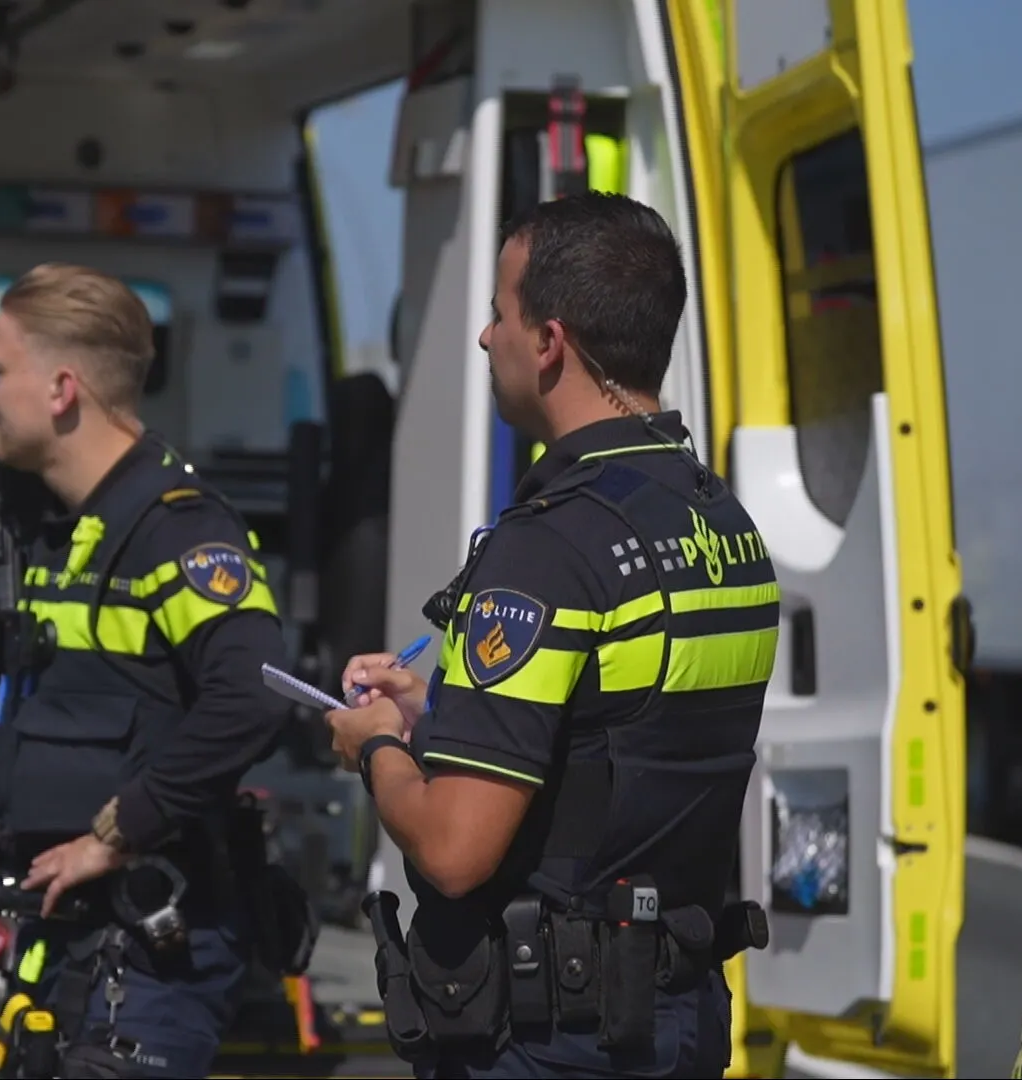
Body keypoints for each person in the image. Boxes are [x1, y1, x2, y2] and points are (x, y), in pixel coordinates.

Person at [323, 192, 778, 1078]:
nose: (487, 338)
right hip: (674, 1018)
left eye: (500, 315)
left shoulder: (550, 546)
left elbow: (456, 852)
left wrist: (377, 744)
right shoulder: (723, 522)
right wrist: (443, 708)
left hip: (548, 1037)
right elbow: (625, 733)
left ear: (551, 342)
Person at [0, 262, 292, 1077]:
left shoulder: (177, 531)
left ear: (63, 388)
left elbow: (254, 695)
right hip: (73, 951)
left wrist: (116, 834)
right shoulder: (59, 528)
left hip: (150, 960)